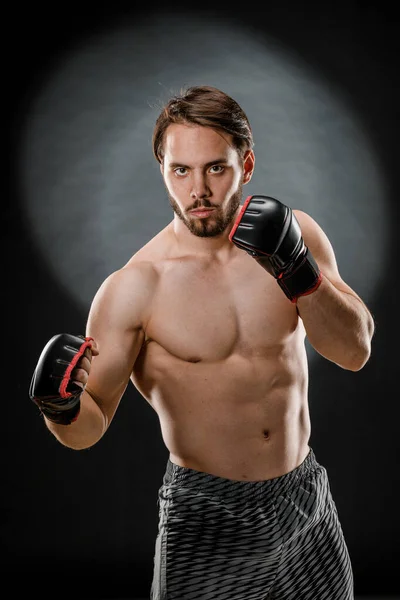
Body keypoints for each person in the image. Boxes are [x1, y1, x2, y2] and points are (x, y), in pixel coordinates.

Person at [30, 85, 375, 599]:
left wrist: (300, 273)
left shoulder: (297, 234)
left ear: (247, 164)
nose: (199, 190)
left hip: (304, 501)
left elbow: (355, 351)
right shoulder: (133, 288)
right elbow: (89, 428)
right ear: (162, 169)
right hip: (205, 515)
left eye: (215, 168)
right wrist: (60, 409)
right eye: (181, 170)